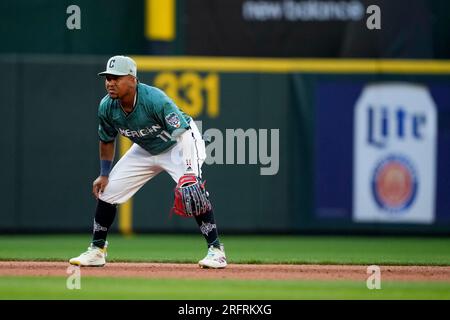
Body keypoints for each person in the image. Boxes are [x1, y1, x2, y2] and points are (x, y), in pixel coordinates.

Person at [69, 55, 227, 269]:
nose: (110, 82)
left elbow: (183, 132)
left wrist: (189, 170)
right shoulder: (107, 106)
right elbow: (106, 140)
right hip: (145, 148)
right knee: (108, 191)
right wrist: (104, 173)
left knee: (193, 189)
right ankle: (97, 250)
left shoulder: (154, 99)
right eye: (107, 78)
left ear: (132, 79)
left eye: (116, 77)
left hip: (178, 144)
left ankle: (216, 251)